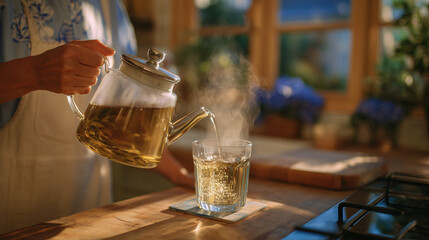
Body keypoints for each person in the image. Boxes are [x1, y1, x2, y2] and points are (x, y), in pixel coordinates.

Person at [0, 0, 193, 234]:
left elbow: (126, 122)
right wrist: (34, 72)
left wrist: (178, 174)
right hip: (14, 205)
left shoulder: (111, 8)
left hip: (89, 205)